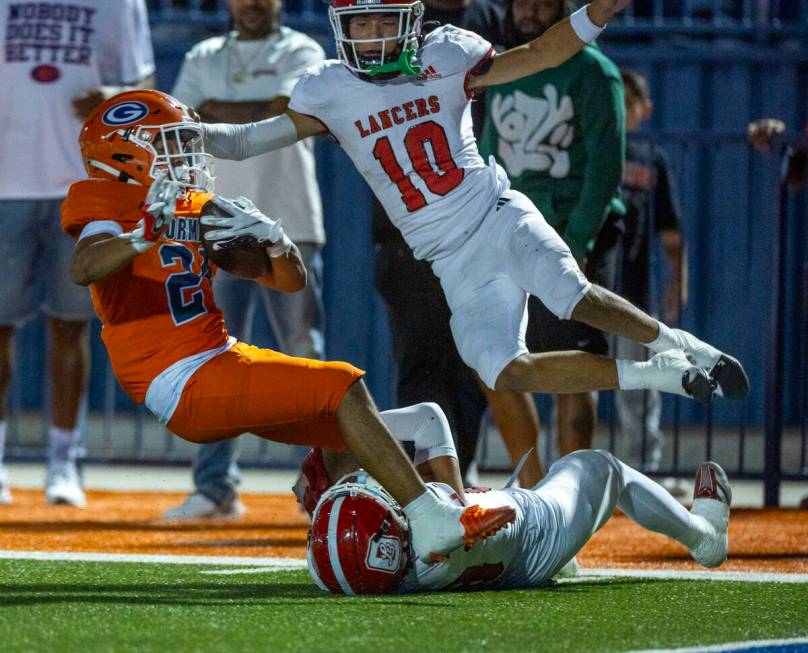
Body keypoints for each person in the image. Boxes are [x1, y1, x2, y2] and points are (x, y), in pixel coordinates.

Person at [202, 0, 751, 440]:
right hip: (450, 259)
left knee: (571, 294)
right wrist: (185, 131)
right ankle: (658, 375)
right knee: (501, 369)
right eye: (359, 23)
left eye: (380, 22)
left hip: (495, 215)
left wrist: (596, 12)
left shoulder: (446, 55)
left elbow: (541, 52)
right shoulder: (328, 88)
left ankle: (683, 345)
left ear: (409, 24)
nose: (369, 35)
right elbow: (250, 140)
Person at [61, 88, 515, 562]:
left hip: (218, 358)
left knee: (423, 422)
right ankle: (430, 520)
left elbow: (289, 282)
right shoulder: (104, 202)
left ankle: (446, 524)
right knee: (343, 385)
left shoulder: (192, 206)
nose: (187, 155)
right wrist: (142, 235)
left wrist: (276, 242)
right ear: (126, 151)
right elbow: (84, 267)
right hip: (178, 379)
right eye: (171, 144)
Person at [162, 0, 328, 520]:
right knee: (210, 358)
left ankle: (327, 483)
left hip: (290, 224)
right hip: (214, 228)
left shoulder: (305, 49)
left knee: (305, 352)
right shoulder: (204, 53)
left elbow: (284, 113)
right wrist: (258, 112)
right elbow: (179, 125)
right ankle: (215, 488)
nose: (253, 4)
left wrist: (214, 111)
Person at [0, 0, 155, 507]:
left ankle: (63, 462)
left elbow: (144, 85)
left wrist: (109, 97)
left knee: (70, 328)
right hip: (6, 183)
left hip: (84, 184)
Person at [475, 0, 626, 484]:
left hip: (575, 232)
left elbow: (605, 169)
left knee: (578, 370)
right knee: (493, 361)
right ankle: (534, 489)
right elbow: (486, 155)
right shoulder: (496, 68)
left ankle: (572, 495)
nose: (529, 8)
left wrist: (576, 240)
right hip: (509, 231)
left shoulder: (594, 72)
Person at [307, 441, 732, 594]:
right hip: (536, 533)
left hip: (506, 565)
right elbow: (506, 511)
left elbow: (338, 552)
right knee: (602, 466)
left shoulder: (353, 572)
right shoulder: (432, 538)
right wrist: (463, 512)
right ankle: (706, 535)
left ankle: (565, 559)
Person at [371, 0, 489, 482]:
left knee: (475, 363)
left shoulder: (480, 31)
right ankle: (426, 480)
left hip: (468, 227)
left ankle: (458, 470)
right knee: (421, 364)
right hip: (407, 238)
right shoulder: (372, 48)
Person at [614, 68, 687, 479]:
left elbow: (672, 234)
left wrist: (678, 284)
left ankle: (644, 470)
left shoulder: (651, 157)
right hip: (585, 285)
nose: (622, 110)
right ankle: (564, 468)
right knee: (572, 377)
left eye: (629, 103)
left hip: (635, 292)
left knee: (642, 382)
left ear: (646, 109)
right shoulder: (593, 144)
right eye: (616, 100)